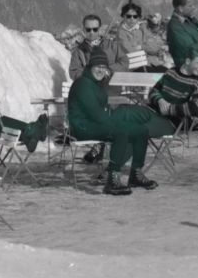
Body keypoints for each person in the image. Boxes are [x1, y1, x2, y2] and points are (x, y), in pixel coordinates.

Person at [66, 47, 173, 196]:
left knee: (140, 130)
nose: (101, 70)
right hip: (82, 127)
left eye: (103, 67)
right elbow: (95, 114)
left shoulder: (96, 84)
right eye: (97, 66)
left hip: (96, 124)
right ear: (90, 66)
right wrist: (117, 121)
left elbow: (102, 110)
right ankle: (112, 180)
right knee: (121, 132)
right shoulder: (82, 84)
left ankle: (136, 174)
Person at [148, 53, 198, 133]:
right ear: (188, 61)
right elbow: (153, 91)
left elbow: (197, 108)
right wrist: (160, 100)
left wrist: (169, 109)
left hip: (172, 119)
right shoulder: (171, 72)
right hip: (153, 112)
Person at [105, 3, 158, 71]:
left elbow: (155, 47)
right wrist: (145, 48)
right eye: (129, 16)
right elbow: (130, 51)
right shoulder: (120, 32)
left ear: (138, 17)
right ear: (123, 16)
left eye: (135, 16)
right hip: (131, 66)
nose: (132, 19)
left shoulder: (142, 29)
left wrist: (142, 47)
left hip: (147, 63)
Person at [69, 14, 106, 82]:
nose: (91, 32)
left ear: (100, 29)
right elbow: (74, 71)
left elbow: (123, 62)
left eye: (95, 29)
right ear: (83, 30)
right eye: (88, 29)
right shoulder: (78, 51)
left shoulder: (111, 45)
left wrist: (108, 70)